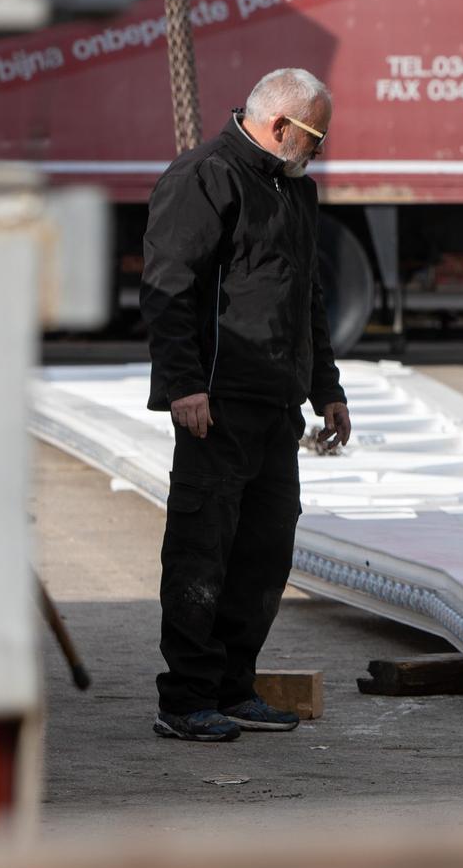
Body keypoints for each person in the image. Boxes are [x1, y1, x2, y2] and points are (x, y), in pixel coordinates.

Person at [140, 68, 351, 743]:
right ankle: (187, 696)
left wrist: (327, 386)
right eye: (315, 136)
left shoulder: (296, 193)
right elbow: (169, 288)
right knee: (203, 548)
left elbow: (306, 298)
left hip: (275, 401)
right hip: (217, 400)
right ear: (282, 125)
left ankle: (233, 684)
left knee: (264, 549)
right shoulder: (205, 177)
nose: (319, 150)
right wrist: (183, 384)